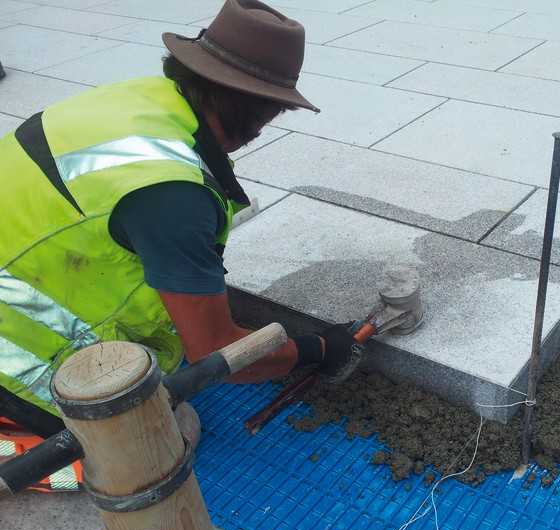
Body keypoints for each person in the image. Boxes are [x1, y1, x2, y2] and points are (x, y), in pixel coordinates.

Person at [0, 0, 358, 488]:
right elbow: (216, 354)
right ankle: (14, 451)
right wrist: (315, 349)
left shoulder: (139, 101)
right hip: (12, 358)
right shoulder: (171, 195)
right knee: (165, 441)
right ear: (263, 112)